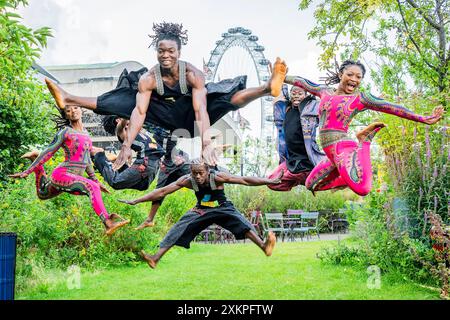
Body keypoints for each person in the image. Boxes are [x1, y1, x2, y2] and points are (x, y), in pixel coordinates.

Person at [44, 22, 285, 169]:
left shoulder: (193, 74)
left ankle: (267, 88)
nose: (165, 55)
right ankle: (69, 98)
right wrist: (127, 146)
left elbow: (201, 109)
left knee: (220, 96)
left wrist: (206, 143)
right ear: (156, 52)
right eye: (161, 51)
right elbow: (139, 112)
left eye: (170, 51)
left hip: (190, 119)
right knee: (127, 98)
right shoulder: (149, 78)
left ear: (179, 52)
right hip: (163, 117)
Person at [271, 59, 444, 196]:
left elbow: (393, 108)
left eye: (358, 77)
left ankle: (364, 140)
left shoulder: (360, 99)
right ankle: (346, 177)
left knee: (363, 189)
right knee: (311, 184)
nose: (354, 79)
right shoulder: (324, 91)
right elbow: (303, 82)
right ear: (341, 74)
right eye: (350, 74)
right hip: (330, 156)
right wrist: (282, 76)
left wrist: (423, 118)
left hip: (341, 147)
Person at [118, 160, 283, 269]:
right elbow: (162, 191)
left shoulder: (217, 177)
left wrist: (270, 181)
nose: (197, 177)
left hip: (222, 206)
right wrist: (137, 200)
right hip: (202, 209)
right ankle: (155, 258)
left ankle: (263, 246)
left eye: (200, 173)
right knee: (179, 226)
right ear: (190, 172)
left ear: (207, 171)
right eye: (194, 173)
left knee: (240, 221)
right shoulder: (187, 180)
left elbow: (244, 180)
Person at [9, 106, 129, 236]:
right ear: (66, 116)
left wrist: (96, 181)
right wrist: (26, 171)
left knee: (43, 194)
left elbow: (87, 160)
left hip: (74, 178)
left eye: (76, 108)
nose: (73, 111)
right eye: (68, 111)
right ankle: (107, 222)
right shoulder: (65, 132)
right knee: (91, 187)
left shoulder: (86, 134)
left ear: (81, 110)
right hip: (62, 174)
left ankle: (35, 160)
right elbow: (48, 151)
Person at [268, 84, 326, 191]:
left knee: (322, 179)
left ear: (306, 95)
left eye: (300, 94)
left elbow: (326, 104)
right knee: (271, 182)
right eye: (293, 94)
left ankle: (307, 178)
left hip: (307, 158)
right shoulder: (285, 109)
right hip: (291, 160)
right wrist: (280, 79)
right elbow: (279, 97)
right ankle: (298, 179)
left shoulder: (311, 108)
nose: (296, 96)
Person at [90, 116, 164, 191]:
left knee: (142, 186)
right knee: (115, 182)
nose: (129, 120)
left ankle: (116, 162)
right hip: (147, 161)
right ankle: (99, 155)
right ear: (118, 120)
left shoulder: (135, 129)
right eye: (126, 119)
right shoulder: (121, 131)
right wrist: (126, 112)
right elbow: (124, 122)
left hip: (155, 161)